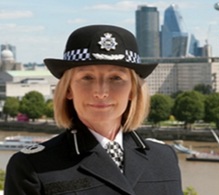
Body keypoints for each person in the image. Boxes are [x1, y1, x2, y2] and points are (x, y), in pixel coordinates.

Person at [4, 25, 183, 195]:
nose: (101, 92)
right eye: (87, 77)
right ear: (68, 90)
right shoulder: (33, 166)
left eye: (116, 78)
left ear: (133, 90)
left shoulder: (164, 158)